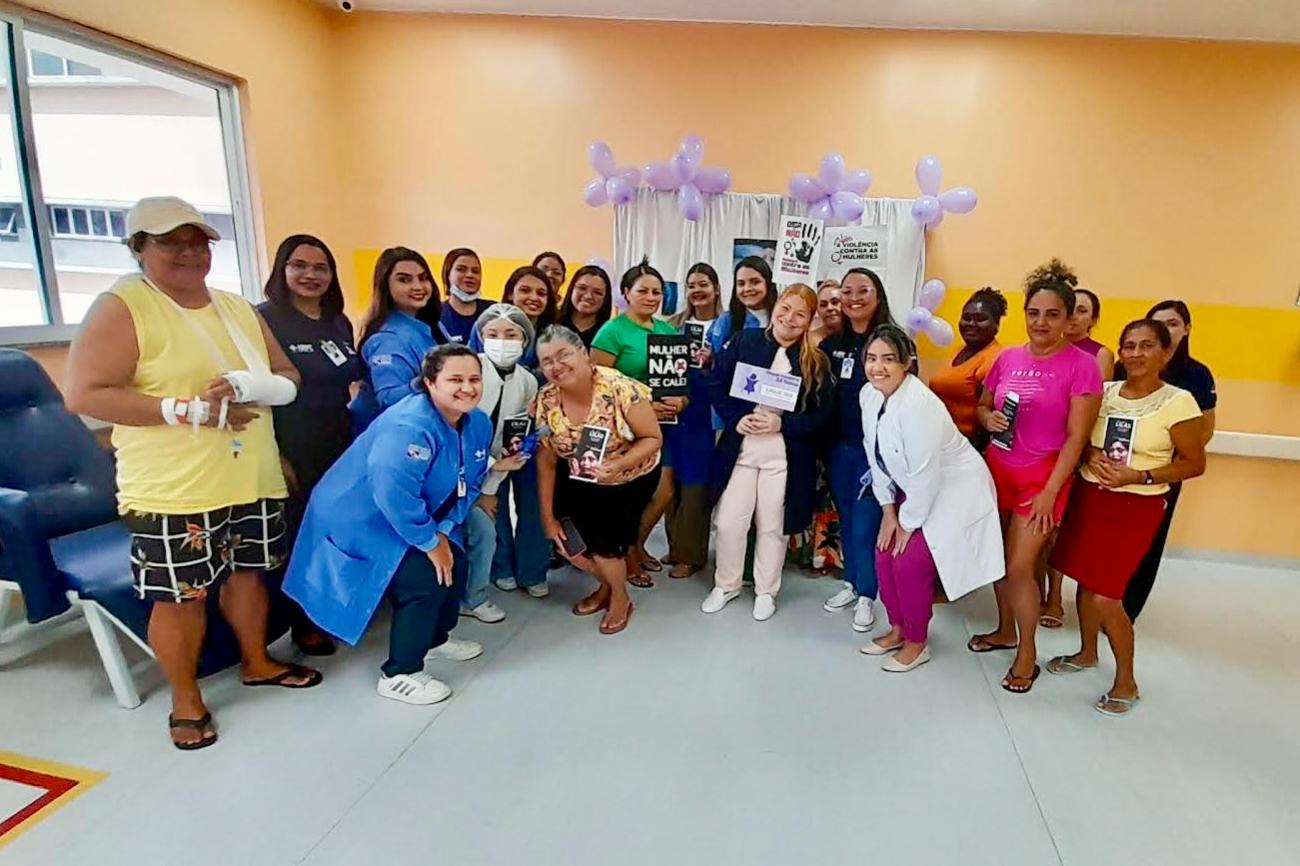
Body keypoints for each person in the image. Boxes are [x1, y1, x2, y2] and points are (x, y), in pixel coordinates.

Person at [64, 197, 318, 750]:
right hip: (175, 487)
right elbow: (84, 394)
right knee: (181, 597)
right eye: (170, 242)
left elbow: (287, 376)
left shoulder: (235, 307)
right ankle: (186, 700)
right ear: (139, 248)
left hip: (250, 472)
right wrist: (188, 411)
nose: (188, 252)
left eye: (198, 241)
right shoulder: (124, 306)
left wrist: (254, 387)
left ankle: (257, 662)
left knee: (250, 575)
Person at [284, 345, 493, 706]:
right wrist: (429, 541)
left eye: (474, 379)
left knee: (455, 566)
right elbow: (393, 493)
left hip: (414, 514)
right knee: (425, 579)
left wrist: (444, 528)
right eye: (455, 379)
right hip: (361, 516)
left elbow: (470, 479)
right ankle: (399, 674)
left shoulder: (477, 423)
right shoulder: (409, 426)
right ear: (430, 383)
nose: (467, 388)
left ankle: (434, 640)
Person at [1046, 319, 1206, 715]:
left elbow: (1194, 463)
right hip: (1091, 497)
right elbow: (1078, 437)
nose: (1136, 354)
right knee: (1085, 578)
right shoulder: (1105, 392)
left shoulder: (1179, 402)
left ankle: (1126, 682)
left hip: (1136, 505)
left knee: (1107, 594)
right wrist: (1090, 455)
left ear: (1165, 352)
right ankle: (1086, 653)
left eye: (1146, 345)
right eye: (1129, 346)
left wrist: (1140, 476)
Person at [970, 258, 1102, 694]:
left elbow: (1077, 437)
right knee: (995, 559)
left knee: (1019, 567)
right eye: (1033, 313)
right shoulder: (1007, 357)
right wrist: (987, 418)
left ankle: (1027, 651)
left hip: (1042, 480)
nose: (1041, 322)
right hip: (998, 472)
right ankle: (1004, 630)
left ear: (1067, 318)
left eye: (1052, 314)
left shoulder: (1082, 366)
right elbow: (984, 406)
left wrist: (1050, 491)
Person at [858, 325, 1003, 671]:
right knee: (883, 553)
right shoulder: (869, 395)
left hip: (954, 489)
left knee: (908, 561)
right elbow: (874, 452)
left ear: (907, 362)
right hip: (914, 488)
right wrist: (888, 512)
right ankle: (897, 629)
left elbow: (926, 475)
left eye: (888, 359)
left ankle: (916, 641)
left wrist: (906, 524)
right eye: (871, 358)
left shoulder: (919, 405)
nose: (878, 367)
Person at [702, 285, 834, 621]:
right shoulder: (745, 342)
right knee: (729, 522)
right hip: (742, 449)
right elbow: (715, 382)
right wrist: (736, 418)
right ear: (775, 308)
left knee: (772, 525)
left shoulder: (815, 360)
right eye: (785, 309)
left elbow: (822, 416)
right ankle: (727, 584)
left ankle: (766, 590)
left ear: (809, 320)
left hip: (784, 456)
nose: (789, 318)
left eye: (800, 314)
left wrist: (782, 423)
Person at [258, 234, 361, 657]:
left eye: (321, 267)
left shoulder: (338, 322)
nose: (310, 275)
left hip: (337, 439)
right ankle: (301, 623)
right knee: (300, 534)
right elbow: (259, 396)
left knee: (333, 529)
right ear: (282, 269)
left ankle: (328, 609)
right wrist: (276, 454)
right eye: (299, 265)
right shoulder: (264, 320)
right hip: (291, 442)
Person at [534, 326, 663, 635]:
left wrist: (619, 464)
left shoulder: (620, 388)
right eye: (547, 361)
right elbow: (547, 459)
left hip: (628, 477)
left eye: (564, 355)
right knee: (570, 542)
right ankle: (606, 585)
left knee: (606, 546)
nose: (556, 365)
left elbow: (652, 438)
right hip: (578, 473)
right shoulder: (546, 399)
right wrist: (547, 516)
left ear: (583, 353)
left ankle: (619, 597)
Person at [1116, 299, 1217, 620]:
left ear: (1186, 329)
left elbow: (1204, 429)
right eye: (1158, 323)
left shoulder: (1196, 376)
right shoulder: (1124, 368)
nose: (1165, 330)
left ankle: (1128, 609)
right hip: (1117, 471)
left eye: (1172, 324)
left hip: (1162, 475)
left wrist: (1163, 465)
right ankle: (1102, 604)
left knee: (1148, 543)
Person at [589, 258, 685, 586]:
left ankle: (636, 544)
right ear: (626, 293)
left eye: (657, 292)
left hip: (664, 426)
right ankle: (627, 554)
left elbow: (680, 382)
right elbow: (598, 388)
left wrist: (680, 401)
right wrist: (643, 409)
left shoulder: (668, 331)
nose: (651, 297)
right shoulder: (612, 332)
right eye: (643, 290)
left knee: (663, 492)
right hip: (625, 428)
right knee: (631, 495)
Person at [819, 267, 897, 633]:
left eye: (862, 290)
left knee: (867, 523)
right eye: (846, 291)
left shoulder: (893, 342)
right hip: (839, 447)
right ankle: (852, 582)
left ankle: (868, 593)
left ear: (877, 295)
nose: (853, 298)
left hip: (876, 452)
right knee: (848, 518)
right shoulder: (832, 345)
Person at [469, 304, 551, 606]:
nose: (501, 341)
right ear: (481, 337)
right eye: (492, 334)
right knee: (493, 509)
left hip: (513, 451)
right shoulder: (471, 371)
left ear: (525, 340)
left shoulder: (527, 380)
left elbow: (521, 425)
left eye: (511, 334)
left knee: (533, 505)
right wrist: (490, 479)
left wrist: (518, 450)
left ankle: (533, 571)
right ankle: (500, 567)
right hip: (476, 456)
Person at [665, 262, 723, 578]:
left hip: (707, 413)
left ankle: (690, 554)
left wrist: (712, 361)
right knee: (671, 480)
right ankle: (675, 546)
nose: (697, 290)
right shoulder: (673, 325)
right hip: (674, 411)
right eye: (691, 285)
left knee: (695, 483)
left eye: (703, 284)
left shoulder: (728, 325)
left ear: (716, 288)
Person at [351, 247, 447, 431]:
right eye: (404, 280)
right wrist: (431, 381)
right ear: (385, 286)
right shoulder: (386, 340)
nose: (418, 286)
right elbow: (389, 400)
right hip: (397, 434)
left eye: (423, 278)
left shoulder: (430, 326)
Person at [928, 287, 1007, 442]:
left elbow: (986, 415)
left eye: (980, 319)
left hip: (965, 444)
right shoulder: (958, 351)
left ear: (996, 325)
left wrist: (971, 452)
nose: (971, 323)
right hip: (940, 438)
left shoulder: (995, 358)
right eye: (966, 317)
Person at [706, 256, 778, 355]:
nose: (747, 288)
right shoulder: (726, 320)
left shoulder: (782, 318)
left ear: (768, 284)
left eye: (755, 282)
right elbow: (716, 357)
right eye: (741, 284)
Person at [438, 247, 493, 344]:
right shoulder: (435, 314)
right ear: (447, 275)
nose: (470, 275)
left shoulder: (493, 311)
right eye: (461, 269)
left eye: (475, 271)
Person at [555, 264, 614, 348]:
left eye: (597, 293)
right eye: (582, 288)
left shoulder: (609, 334)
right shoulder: (551, 324)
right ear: (571, 289)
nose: (588, 296)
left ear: (605, 299)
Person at [1066, 288, 1116, 380]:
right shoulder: (1046, 348)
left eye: (1082, 311)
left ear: (1093, 320)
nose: (1073, 316)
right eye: (1069, 309)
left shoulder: (1101, 354)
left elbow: (1101, 387)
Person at [810, 279, 842, 344]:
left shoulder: (858, 336)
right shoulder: (808, 340)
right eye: (823, 305)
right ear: (817, 310)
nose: (829, 308)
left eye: (835, 302)